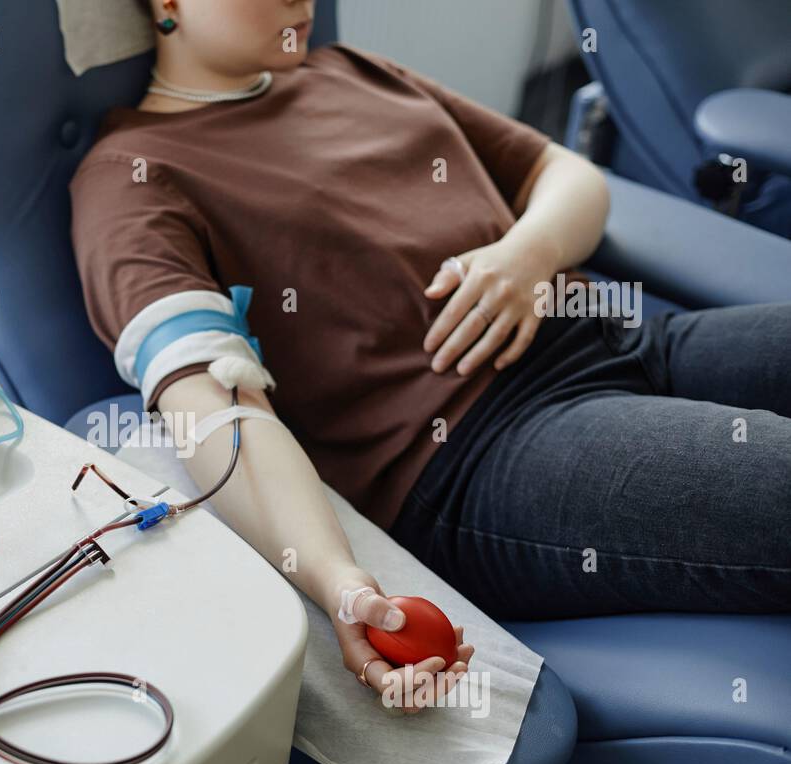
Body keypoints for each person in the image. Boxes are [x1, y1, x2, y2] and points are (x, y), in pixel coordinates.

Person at [69, 0, 791, 707]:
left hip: (617, 338)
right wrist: (338, 582)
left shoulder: (352, 71)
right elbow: (210, 404)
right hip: (488, 450)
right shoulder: (133, 176)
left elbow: (565, 175)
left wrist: (527, 254)